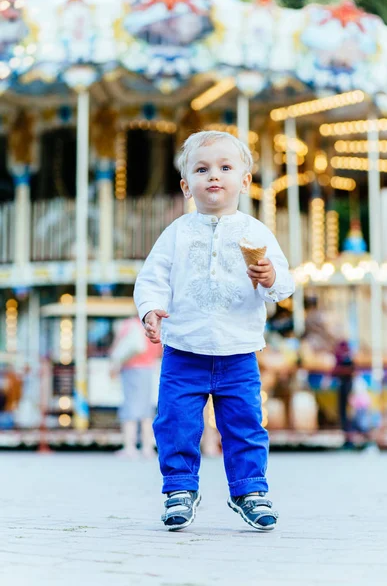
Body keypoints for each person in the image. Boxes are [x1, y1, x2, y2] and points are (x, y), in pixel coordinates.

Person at [134, 130, 295, 531]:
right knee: (175, 421)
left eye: (225, 167)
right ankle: (179, 488)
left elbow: (284, 285)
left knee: (244, 422)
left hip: (237, 350)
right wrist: (151, 308)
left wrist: (270, 275)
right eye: (202, 170)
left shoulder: (256, 232)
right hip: (184, 347)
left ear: (245, 180)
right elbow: (152, 277)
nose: (214, 176)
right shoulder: (176, 233)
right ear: (187, 185)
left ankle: (249, 490)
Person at [110, 316, 161, 459]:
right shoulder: (153, 326)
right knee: (146, 409)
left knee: (130, 406)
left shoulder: (128, 325)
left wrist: (114, 366)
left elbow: (117, 347)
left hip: (130, 368)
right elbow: (158, 350)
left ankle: (129, 447)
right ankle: (147, 448)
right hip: (148, 369)